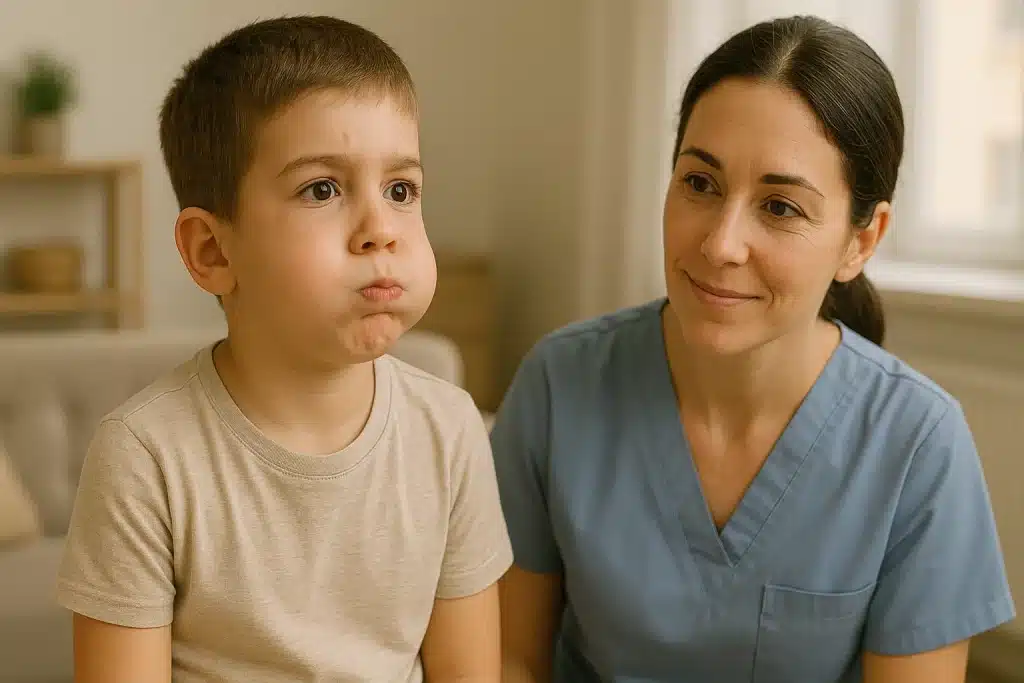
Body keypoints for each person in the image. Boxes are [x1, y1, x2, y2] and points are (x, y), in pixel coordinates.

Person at [493, 15, 1015, 683]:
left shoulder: (918, 445)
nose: (720, 244)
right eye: (700, 184)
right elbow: (509, 659)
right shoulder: (558, 385)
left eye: (779, 206)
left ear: (863, 239)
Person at [55, 16, 511, 683]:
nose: (380, 230)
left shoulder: (452, 429)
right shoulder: (143, 454)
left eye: (400, 189)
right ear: (213, 252)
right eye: (321, 189)